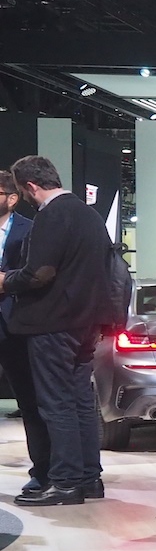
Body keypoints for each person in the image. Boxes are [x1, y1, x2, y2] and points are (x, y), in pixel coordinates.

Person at [2, 156, 112, 506]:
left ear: (30, 186)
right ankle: (89, 479)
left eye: (23, 192)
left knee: (56, 403)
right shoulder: (88, 214)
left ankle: (64, 483)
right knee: (80, 402)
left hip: (53, 323)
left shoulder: (52, 215)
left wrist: (5, 281)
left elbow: (40, 273)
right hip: (85, 323)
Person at [0, 172, 49, 497]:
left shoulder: (30, 230)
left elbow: (37, 276)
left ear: (12, 198)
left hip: (15, 326)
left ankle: (42, 472)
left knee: (31, 403)